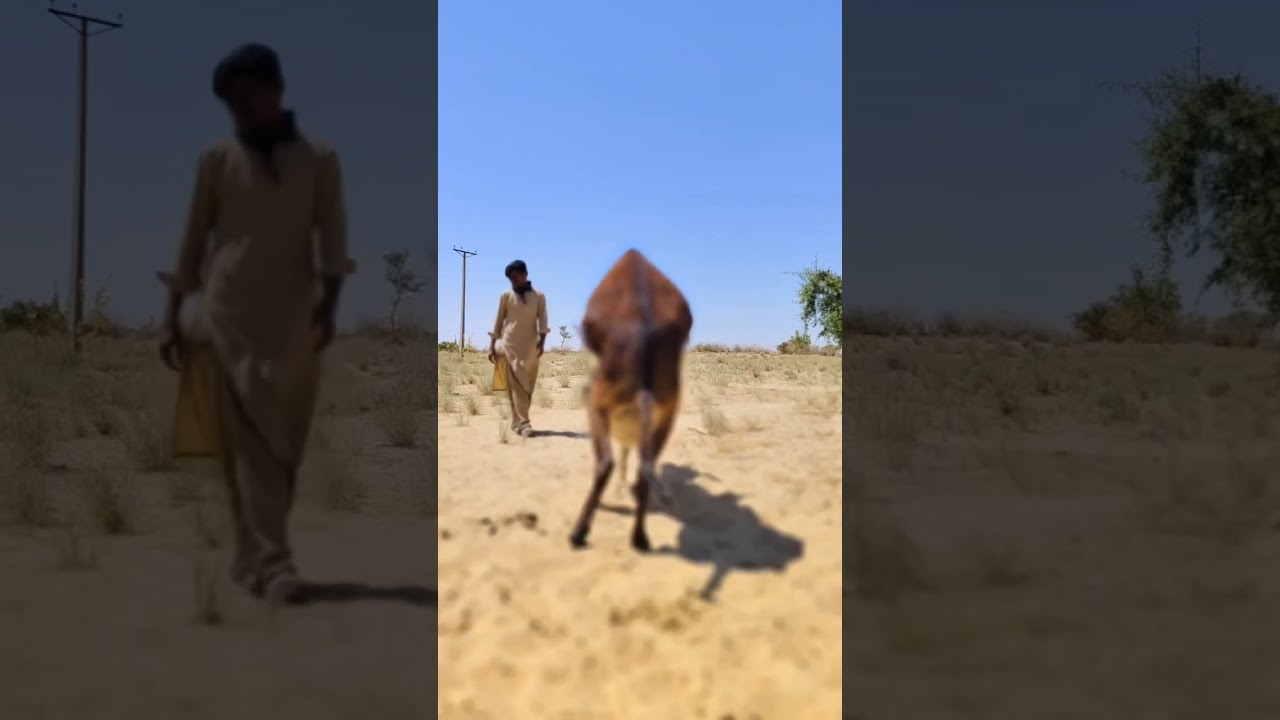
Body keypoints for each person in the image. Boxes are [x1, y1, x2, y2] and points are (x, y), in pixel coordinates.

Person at [156, 43, 356, 605]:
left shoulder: (320, 159)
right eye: (232, 103)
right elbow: (193, 239)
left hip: (294, 317)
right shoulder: (216, 161)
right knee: (246, 442)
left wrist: (331, 306)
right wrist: (172, 316)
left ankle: (252, 554)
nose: (242, 110)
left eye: (250, 97)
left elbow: (333, 237)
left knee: (284, 441)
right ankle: (274, 559)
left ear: (277, 91)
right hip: (226, 315)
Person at [488, 260, 549, 437]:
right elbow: (499, 321)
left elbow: (543, 319)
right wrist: (492, 345)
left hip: (531, 346)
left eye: (516, 277)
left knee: (527, 385)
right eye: (511, 278)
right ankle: (524, 423)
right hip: (509, 345)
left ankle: (516, 421)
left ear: (525, 274)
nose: (513, 281)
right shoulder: (506, 297)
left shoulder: (538, 296)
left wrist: (542, 341)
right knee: (516, 385)